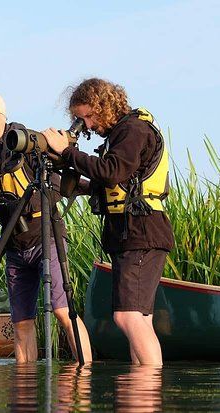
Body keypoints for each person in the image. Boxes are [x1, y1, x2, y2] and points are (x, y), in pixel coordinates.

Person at [42, 78, 174, 366]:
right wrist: (83, 186)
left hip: (142, 229)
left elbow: (112, 171)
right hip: (134, 230)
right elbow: (118, 181)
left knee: (127, 317)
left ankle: (148, 388)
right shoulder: (123, 133)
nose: (87, 125)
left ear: (105, 105)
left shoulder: (133, 129)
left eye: (89, 116)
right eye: (81, 118)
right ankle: (141, 397)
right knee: (139, 318)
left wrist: (68, 152)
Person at [0, 91, 92, 363]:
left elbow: (60, 179)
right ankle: (25, 392)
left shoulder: (28, 144)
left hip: (46, 237)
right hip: (15, 246)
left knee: (62, 311)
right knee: (21, 322)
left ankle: (85, 376)